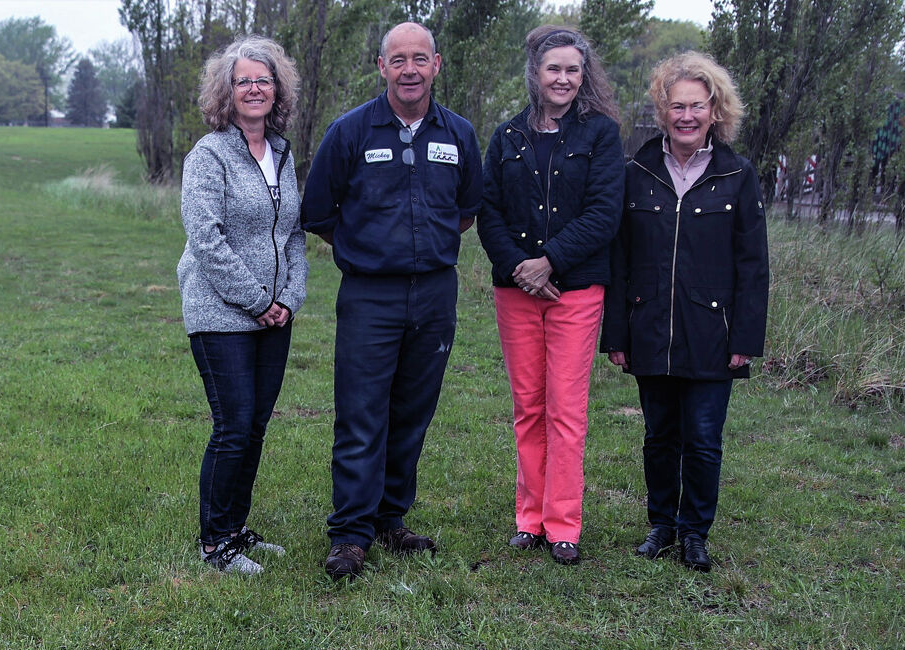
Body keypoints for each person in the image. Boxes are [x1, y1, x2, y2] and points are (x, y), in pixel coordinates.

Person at [301, 22, 483, 580]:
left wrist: (422, 248)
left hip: (434, 294)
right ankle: (350, 533)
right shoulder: (350, 131)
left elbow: (467, 211)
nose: (409, 70)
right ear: (382, 67)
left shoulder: (459, 134)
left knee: (411, 413)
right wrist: (367, 250)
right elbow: (318, 212)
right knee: (361, 415)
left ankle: (389, 519)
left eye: (419, 59)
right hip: (369, 296)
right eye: (398, 59)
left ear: (436, 65)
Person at [602, 51, 769, 573]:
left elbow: (754, 265)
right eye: (677, 106)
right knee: (659, 437)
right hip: (650, 327)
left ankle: (695, 532)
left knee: (702, 440)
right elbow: (619, 259)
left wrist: (746, 338)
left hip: (712, 333)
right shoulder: (635, 171)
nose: (687, 116)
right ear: (662, 110)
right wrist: (617, 333)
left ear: (715, 111)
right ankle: (661, 525)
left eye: (698, 106)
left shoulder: (738, 175)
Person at [477, 25, 624, 566]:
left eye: (572, 70)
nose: (563, 78)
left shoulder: (600, 135)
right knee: (528, 408)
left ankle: (563, 524)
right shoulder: (507, 137)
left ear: (584, 76)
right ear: (535, 74)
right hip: (516, 290)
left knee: (566, 409)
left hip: (575, 291)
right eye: (553, 68)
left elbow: (604, 213)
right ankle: (529, 518)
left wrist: (550, 261)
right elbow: (488, 211)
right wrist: (519, 267)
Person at [177, 36, 309, 575]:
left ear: (277, 89)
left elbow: (293, 232)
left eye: (263, 80)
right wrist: (257, 301)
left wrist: (288, 299)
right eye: (243, 81)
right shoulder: (208, 155)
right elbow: (206, 239)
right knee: (232, 426)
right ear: (226, 92)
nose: (254, 88)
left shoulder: (281, 152)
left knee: (254, 426)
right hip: (221, 313)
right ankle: (215, 545)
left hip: (274, 315)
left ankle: (235, 528)